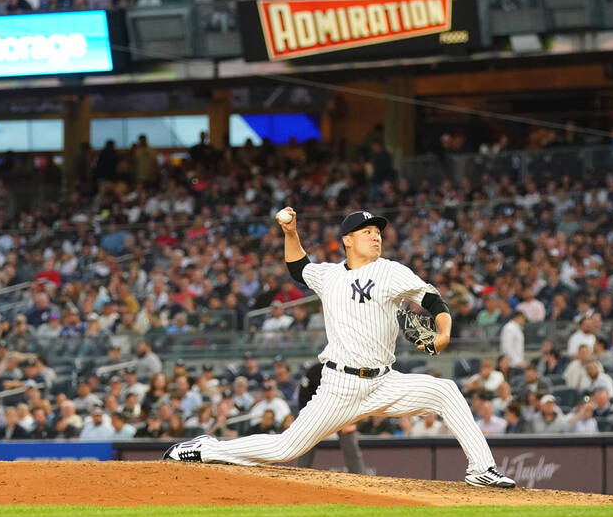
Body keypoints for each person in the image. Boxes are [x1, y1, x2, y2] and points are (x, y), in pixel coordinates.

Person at [164, 209, 515, 488]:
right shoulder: (329, 276)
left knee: (445, 390)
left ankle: (481, 469)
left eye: (378, 232)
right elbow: (298, 267)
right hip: (339, 386)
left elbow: (433, 300)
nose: (376, 236)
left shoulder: (391, 271)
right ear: (348, 240)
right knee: (285, 448)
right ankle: (205, 448)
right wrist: (290, 233)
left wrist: (443, 333)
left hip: (384, 382)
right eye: (367, 232)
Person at [293, 362, 365, 473]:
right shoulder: (315, 370)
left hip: (341, 413)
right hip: (316, 414)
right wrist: (306, 416)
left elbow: (355, 394)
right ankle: (299, 475)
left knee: (351, 444)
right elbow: (304, 394)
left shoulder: (346, 369)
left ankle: (360, 476)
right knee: (304, 442)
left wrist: (352, 417)